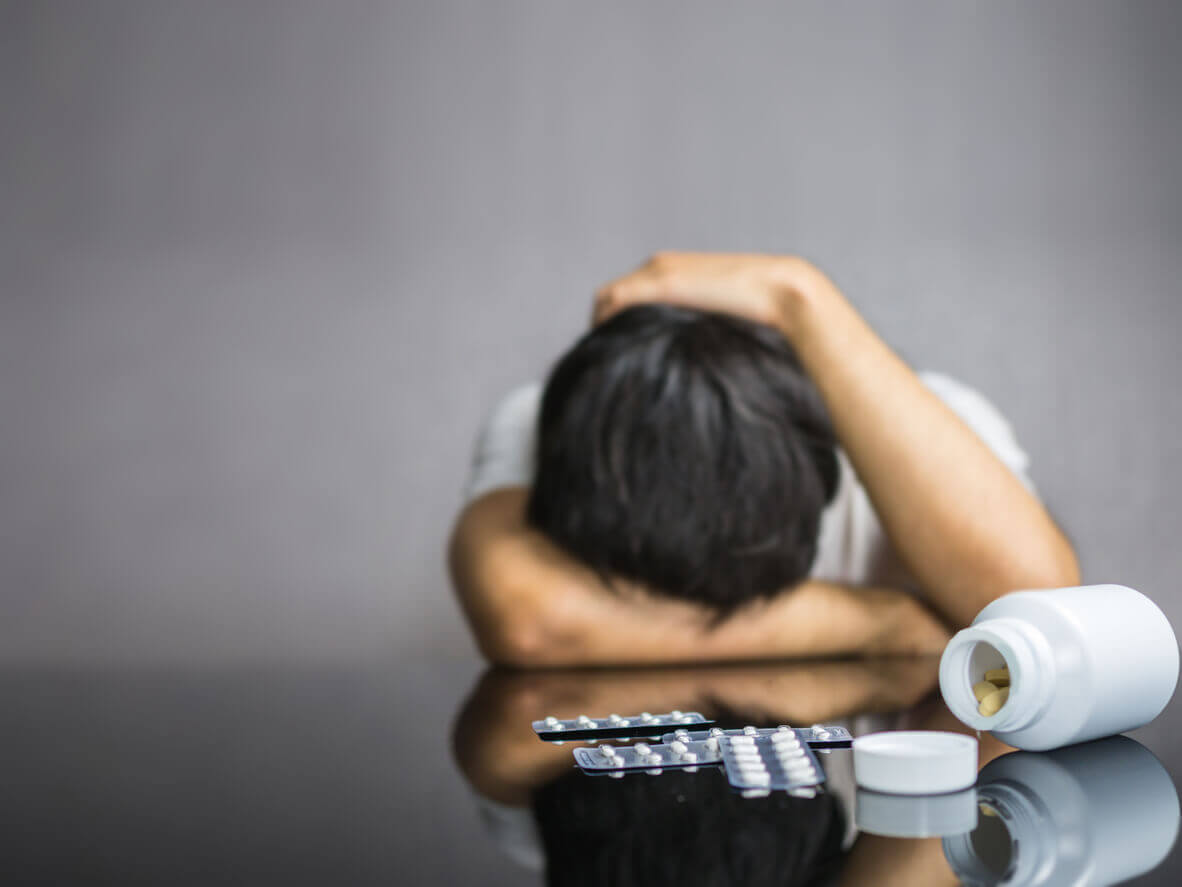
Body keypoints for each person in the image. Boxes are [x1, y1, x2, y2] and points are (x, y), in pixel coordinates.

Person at [449, 252, 1079, 666]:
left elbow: (1044, 615)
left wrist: (801, 298)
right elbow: (528, 619)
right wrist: (881, 625)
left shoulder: (934, 420)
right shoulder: (550, 418)